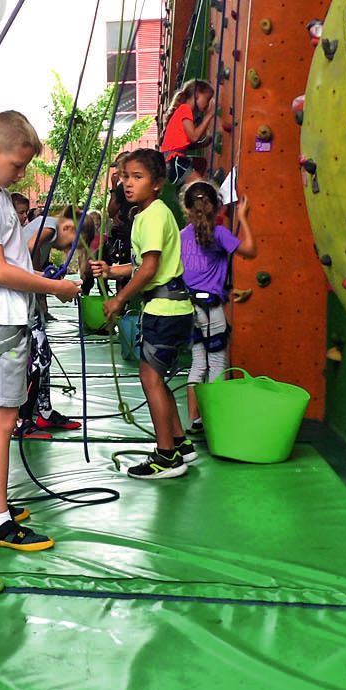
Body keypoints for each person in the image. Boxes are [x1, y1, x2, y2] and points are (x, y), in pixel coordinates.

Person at [0, 111, 79, 551]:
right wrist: (56, 287)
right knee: (0, 421)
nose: (21, 174)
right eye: (17, 165)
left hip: (1, 317)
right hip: (0, 319)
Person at [89, 148, 197, 479]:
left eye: (137, 177)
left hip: (164, 310)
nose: (128, 184)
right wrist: (112, 270)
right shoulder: (152, 213)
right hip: (170, 306)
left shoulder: (151, 216)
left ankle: (166, 456)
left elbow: (149, 269)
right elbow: (142, 265)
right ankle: (179, 443)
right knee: (157, 377)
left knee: (150, 379)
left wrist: (119, 300)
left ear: (157, 183)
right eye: (124, 177)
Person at [180, 181, 256, 439]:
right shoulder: (219, 234)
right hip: (211, 308)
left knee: (197, 364)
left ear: (187, 208)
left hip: (189, 307)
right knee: (217, 364)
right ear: (216, 207)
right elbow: (249, 250)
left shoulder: (181, 237)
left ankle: (194, 420)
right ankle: (216, 419)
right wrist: (243, 218)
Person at [16, 211, 80, 436]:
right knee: (39, 358)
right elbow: (26, 252)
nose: (66, 250)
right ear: (69, 228)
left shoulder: (49, 227)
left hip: (25, 295)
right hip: (19, 299)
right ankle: (24, 420)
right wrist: (44, 282)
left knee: (43, 356)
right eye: (72, 243)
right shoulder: (51, 227)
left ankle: (44, 411)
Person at [160, 80, 215, 184]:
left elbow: (187, 143)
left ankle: (188, 187)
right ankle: (194, 187)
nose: (208, 104)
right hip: (174, 160)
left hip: (173, 158)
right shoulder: (185, 109)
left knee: (201, 163)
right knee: (201, 186)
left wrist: (202, 143)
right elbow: (194, 137)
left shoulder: (183, 110)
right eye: (207, 99)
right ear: (197, 94)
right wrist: (209, 115)